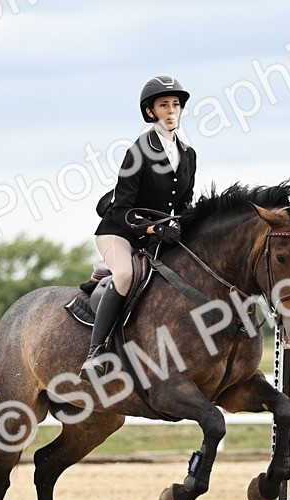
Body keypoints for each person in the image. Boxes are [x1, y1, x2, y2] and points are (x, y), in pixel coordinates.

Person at [81, 75, 197, 378]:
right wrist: (153, 230)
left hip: (157, 235)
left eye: (175, 104)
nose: (171, 110)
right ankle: (96, 352)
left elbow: (184, 205)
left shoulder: (188, 155)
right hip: (118, 232)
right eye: (163, 105)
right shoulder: (138, 151)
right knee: (125, 274)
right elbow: (121, 209)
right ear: (150, 112)